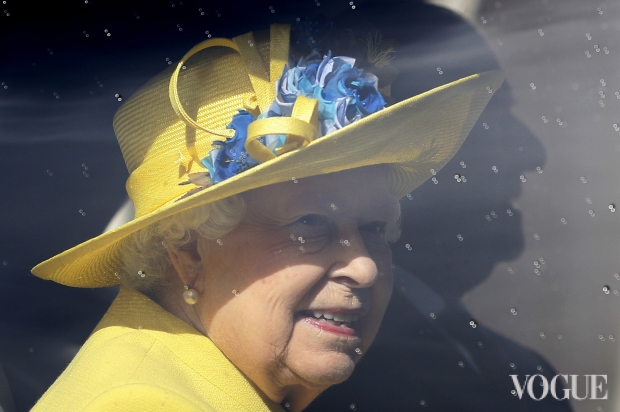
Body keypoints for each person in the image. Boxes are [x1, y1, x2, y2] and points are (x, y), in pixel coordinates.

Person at [29, 21, 502, 411]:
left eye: (375, 228)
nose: (365, 268)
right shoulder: (144, 403)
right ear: (190, 253)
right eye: (310, 223)